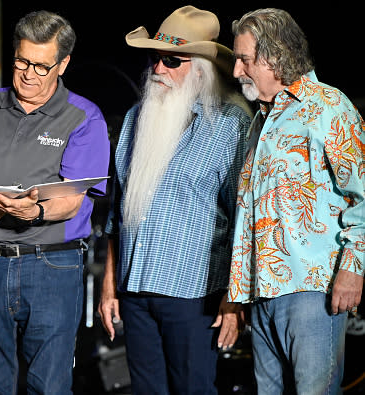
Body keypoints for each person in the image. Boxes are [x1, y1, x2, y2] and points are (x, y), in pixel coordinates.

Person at [97, 6, 253, 394]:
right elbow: (119, 213)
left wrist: (235, 301)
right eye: (155, 58)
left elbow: (244, 221)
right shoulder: (136, 117)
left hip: (194, 295)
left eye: (171, 60)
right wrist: (109, 285)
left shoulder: (231, 124)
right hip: (135, 290)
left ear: (200, 69)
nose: (158, 69)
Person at [0, 10, 111, 394]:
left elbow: (72, 200)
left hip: (53, 265)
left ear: (63, 64)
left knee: (49, 385)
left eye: (42, 66)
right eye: (22, 61)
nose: (28, 74)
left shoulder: (83, 117)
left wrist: (35, 210)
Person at [227, 7, 365, 394]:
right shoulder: (260, 120)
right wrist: (237, 290)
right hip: (261, 291)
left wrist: (353, 268)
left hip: (312, 289)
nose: (237, 71)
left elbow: (362, 193)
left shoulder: (328, 106)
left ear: (275, 57)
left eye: (244, 59)